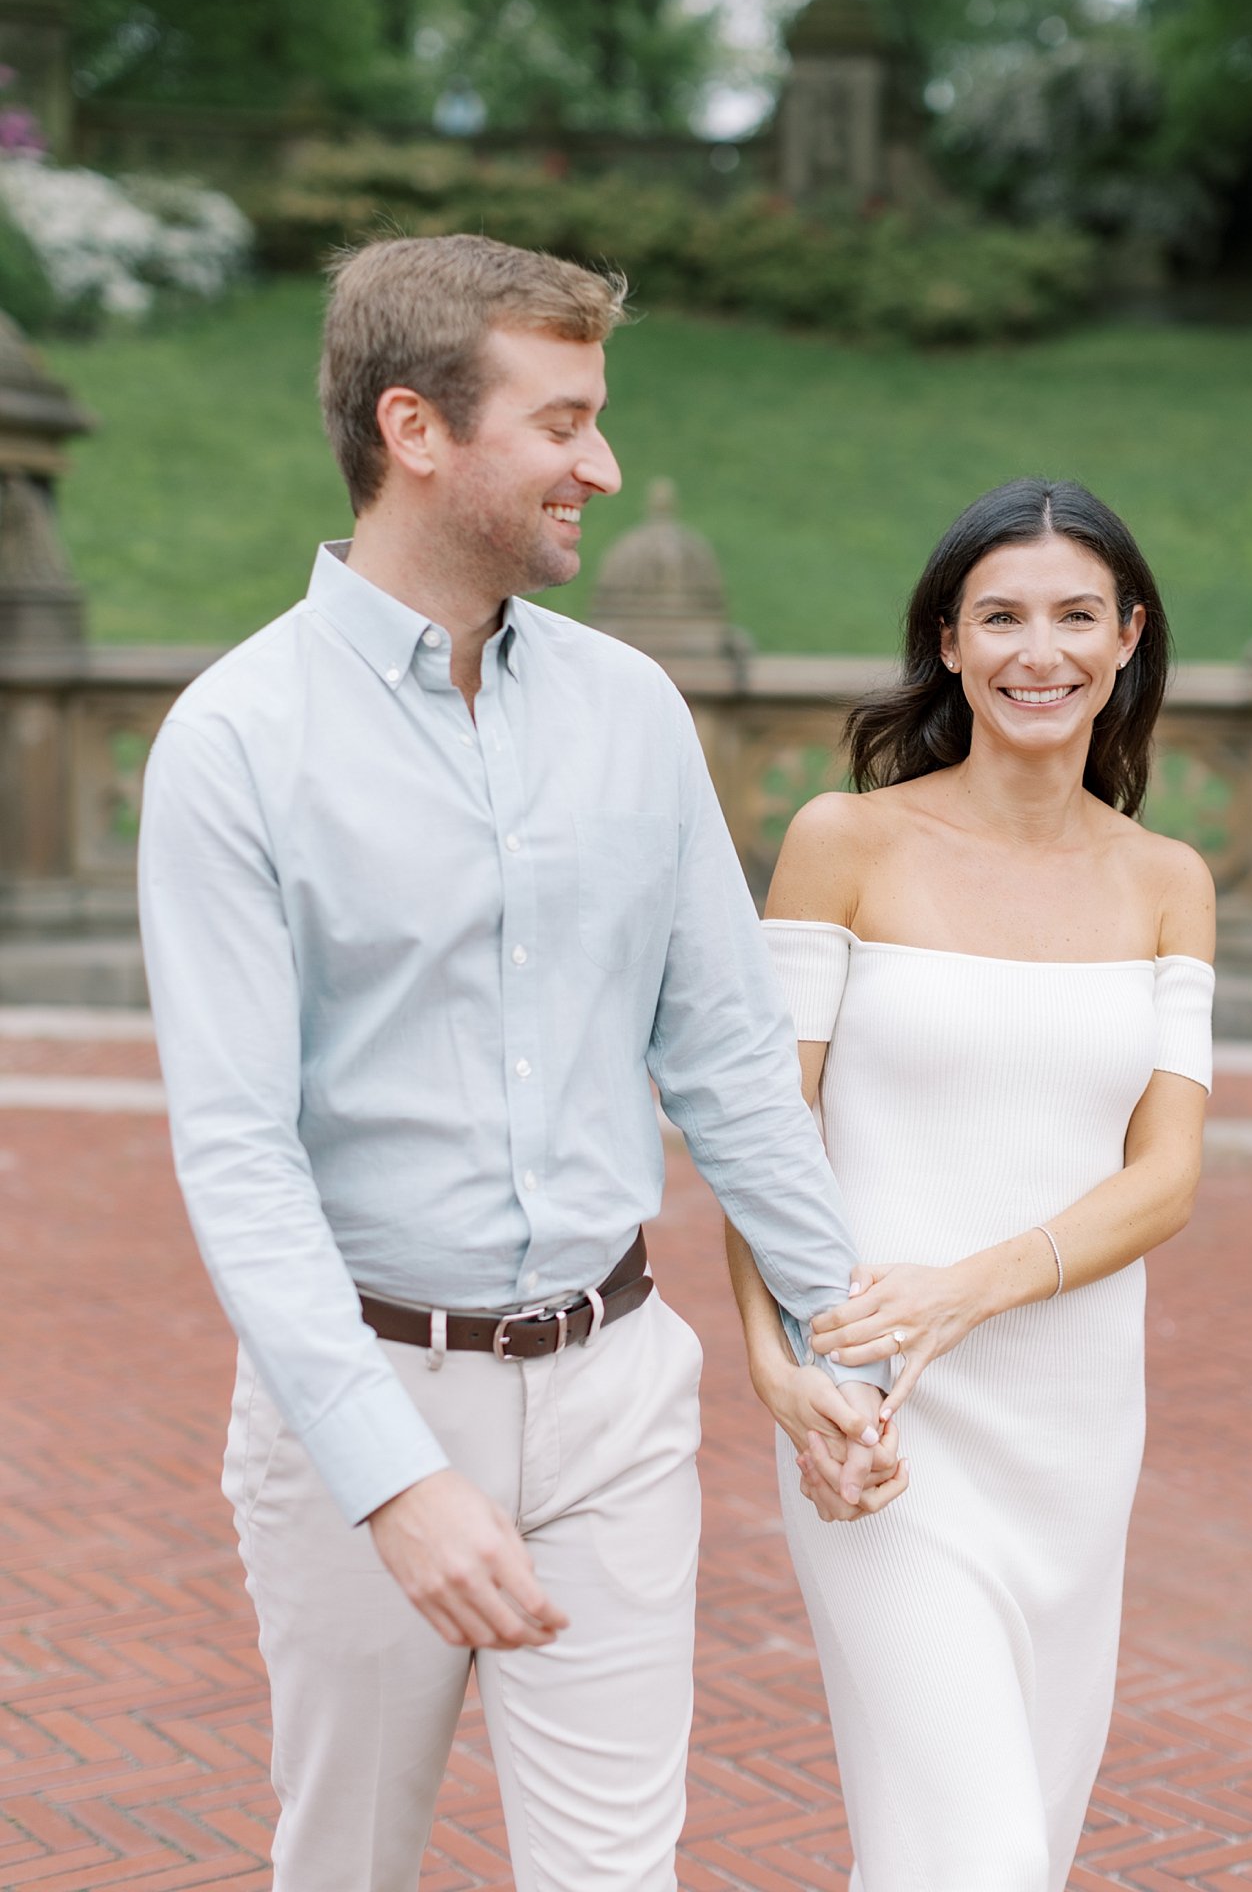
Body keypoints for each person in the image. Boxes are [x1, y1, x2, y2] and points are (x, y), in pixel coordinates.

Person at [136, 233, 902, 1892]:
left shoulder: (630, 712)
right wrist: (388, 1479)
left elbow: (721, 1057)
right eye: (563, 421)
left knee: (615, 1877)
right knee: (345, 1864)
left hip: (617, 1389)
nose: (602, 466)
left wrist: (848, 1345)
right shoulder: (236, 745)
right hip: (368, 1388)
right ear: (417, 431)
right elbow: (238, 1154)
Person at [726, 477, 1216, 1892]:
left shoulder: (1166, 879)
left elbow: (1166, 1177)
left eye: (1075, 616)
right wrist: (782, 1376)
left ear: (1129, 637)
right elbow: (764, 1134)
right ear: (948, 640)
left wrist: (968, 1289)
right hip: (878, 1411)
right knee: (982, 1856)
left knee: (1004, 1849)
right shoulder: (845, 842)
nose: (1038, 652)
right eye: (1000, 616)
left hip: (1075, 1422)